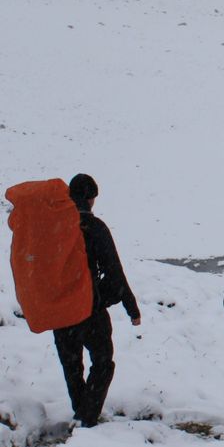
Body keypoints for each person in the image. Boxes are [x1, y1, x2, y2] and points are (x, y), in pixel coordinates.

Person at [53, 173, 142, 427]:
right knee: (103, 362)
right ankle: (86, 417)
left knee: (72, 366)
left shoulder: (55, 228)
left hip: (60, 311)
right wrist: (130, 307)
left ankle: (82, 414)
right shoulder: (96, 228)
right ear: (91, 199)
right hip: (89, 309)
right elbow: (114, 270)